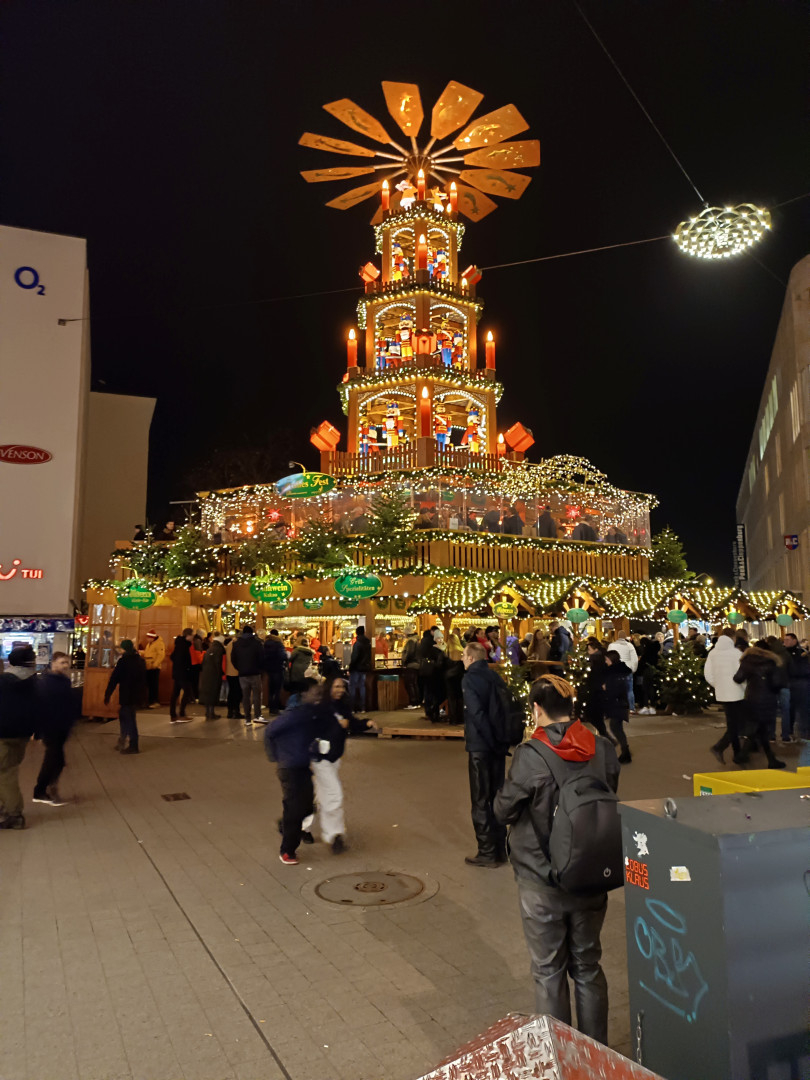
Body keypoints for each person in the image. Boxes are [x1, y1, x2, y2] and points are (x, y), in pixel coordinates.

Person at [493, 674, 619, 1044]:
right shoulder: (602, 747)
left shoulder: (531, 755)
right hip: (592, 871)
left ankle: (561, 1055)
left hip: (541, 877)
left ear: (536, 709)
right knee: (588, 966)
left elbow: (503, 810)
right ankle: (597, 1053)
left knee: (549, 970)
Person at [461, 641, 509, 867]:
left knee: (480, 799)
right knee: (497, 796)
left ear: (471, 658)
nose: (461, 659)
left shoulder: (470, 678)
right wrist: (500, 743)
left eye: (463, 655)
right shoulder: (495, 676)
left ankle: (487, 851)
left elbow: (477, 713)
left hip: (481, 746)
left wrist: (488, 741)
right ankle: (501, 848)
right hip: (498, 746)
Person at [265, 678, 321, 865]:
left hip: (302, 766)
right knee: (295, 808)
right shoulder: (294, 714)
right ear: (304, 694)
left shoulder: (308, 713)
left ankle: (285, 825)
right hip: (289, 768)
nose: (318, 695)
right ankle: (287, 850)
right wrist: (276, 755)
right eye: (315, 692)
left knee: (307, 807)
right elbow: (270, 731)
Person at [32, 652, 79, 805]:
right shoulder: (45, 682)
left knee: (57, 760)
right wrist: (37, 731)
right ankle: (41, 790)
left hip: (62, 727)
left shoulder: (64, 681)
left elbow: (68, 704)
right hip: (50, 727)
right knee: (53, 759)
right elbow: (40, 707)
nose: (65, 665)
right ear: (54, 663)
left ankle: (49, 788)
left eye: (67, 662)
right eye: (62, 662)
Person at [0, 645, 38, 829]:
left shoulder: (4, 682)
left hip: (3, 734)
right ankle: (6, 806)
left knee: (5, 773)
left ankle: (14, 814)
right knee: (10, 769)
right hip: (23, 735)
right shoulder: (35, 681)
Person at [733, 641, 786, 768]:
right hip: (767, 699)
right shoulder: (772, 661)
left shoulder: (747, 661)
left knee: (759, 729)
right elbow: (776, 683)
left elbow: (738, 678)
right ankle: (743, 756)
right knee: (759, 729)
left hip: (752, 698)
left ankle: (769, 759)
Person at [705, 629, 747, 765]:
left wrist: (718, 684)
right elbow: (742, 674)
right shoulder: (736, 654)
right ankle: (719, 747)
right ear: (732, 638)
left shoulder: (713, 653)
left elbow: (708, 674)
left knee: (732, 724)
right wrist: (746, 688)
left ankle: (737, 754)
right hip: (737, 692)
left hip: (722, 692)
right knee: (738, 725)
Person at [104, 640, 147, 754]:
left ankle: (133, 745)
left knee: (129, 719)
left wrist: (108, 694)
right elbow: (144, 679)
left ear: (124, 649)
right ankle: (122, 741)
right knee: (125, 716)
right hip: (136, 695)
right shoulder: (140, 660)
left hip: (127, 694)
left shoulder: (124, 661)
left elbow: (114, 679)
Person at [784, 633, 810, 765]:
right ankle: (790, 733)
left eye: (788, 640)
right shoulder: (783, 653)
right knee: (789, 710)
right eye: (785, 640)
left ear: (794, 640)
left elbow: (804, 670)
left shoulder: (801, 653)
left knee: (801, 711)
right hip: (790, 685)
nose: (786, 642)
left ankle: (803, 735)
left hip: (800, 686)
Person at [231, 625, 265, 725]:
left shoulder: (236, 644)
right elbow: (262, 658)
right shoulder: (257, 643)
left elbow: (233, 659)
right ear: (252, 632)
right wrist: (260, 669)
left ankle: (247, 719)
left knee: (245, 696)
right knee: (256, 696)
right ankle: (258, 715)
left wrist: (239, 668)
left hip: (242, 674)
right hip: (255, 673)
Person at [602, 649, 632, 763]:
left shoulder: (614, 673)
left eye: (606, 659)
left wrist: (606, 688)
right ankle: (625, 752)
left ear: (611, 660)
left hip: (617, 704)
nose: (605, 662)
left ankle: (626, 753)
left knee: (616, 727)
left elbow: (616, 690)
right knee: (617, 727)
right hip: (621, 703)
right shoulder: (621, 671)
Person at [581, 638, 610, 740]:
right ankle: (605, 736)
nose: (588, 652)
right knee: (597, 716)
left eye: (589, 650)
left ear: (595, 649)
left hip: (595, 690)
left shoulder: (594, 660)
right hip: (599, 689)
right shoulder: (603, 657)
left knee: (594, 715)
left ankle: (606, 737)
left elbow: (593, 675)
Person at [766, 635, 792, 742]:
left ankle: (771, 735)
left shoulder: (769, 655)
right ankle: (785, 735)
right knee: (785, 711)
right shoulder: (786, 654)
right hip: (785, 685)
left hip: (771, 686)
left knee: (772, 710)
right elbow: (792, 670)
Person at [419, 627, 446, 723]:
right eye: (438, 638)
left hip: (430, 674)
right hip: (435, 674)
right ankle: (434, 713)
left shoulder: (430, 645)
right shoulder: (437, 648)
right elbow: (440, 662)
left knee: (430, 693)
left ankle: (431, 712)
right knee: (434, 694)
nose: (440, 640)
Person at [169, 627, 194, 724]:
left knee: (175, 693)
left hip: (177, 673)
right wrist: (186, 669)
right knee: (187, 692)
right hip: (183, 674)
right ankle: (181, 714)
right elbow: (180, 659)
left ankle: (173, 715)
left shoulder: (179, 644)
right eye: (192, 635)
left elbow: (172, 656)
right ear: (188, 635)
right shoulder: (183, 646)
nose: (193, 637)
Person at [610, 631, 638, 713]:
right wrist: (633, 669)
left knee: (615, 689)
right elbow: (634, 659)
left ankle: (616, 707)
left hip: (616, 670)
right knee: (629, 690)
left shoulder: (612, 646)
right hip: (627, 669)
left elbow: (609, 658)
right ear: (625, 637)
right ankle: (632, 708)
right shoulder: (629, 646)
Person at [199, 634, 225, 720]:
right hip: (214, 674)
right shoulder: (219, 649)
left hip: (206, 674)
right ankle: (211, 713)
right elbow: (218, 662)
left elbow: (203, 662)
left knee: (207, 693)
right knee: (213, 693)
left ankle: (208, 712)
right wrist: (220, 673)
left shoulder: (210, 649)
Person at [348, 626, 373, 714]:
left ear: (357, 633)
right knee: (362, 687)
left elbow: (354, 657)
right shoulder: (368, 643)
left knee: (353, 688)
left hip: (356, 668)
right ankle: (362, 708)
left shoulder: (357, 644)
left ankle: (352, 708)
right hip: (364, 668)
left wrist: (350, 668)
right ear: (364, 632)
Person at [263, 628, 287, 714]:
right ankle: (275, 708)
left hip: (268, 669)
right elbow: (283, 656)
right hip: (278, 667)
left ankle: (270, 707)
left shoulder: (265, 644)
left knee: (271, 689)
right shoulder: (278, 644)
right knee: (277, 689)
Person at [444, 628, 465, 725]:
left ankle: (453, 718)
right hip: (460, 676)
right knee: (460, 697)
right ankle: (461, 717)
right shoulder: (462, 650)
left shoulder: (446, 651)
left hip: (449, 677)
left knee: (451, 698)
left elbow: (441, 664)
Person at [635, 635, 660, 715]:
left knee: (645, 688)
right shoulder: (655, 650)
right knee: (652, 688)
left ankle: (646, 706)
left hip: (646, 671)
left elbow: (643, 662)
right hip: (654, 670)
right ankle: (652, 706)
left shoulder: (647, 651)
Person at [140, 630, 166, 708]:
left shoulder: (159, 644)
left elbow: (161, 655)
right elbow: (149, 653)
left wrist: (155, 664)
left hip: (154, 668)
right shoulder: (150, 644)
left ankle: (155, 702)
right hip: (148, 667)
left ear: (152, 638)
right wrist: (142, 653)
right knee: (150, 685)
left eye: (149, 638)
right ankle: (150, 702)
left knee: (153, 685)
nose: (147, 639)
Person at [400, 631, 421, 709]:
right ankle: (417, 702)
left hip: (411, 665)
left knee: (410, 684)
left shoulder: (410, 642)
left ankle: (413, 702)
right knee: (414, 684)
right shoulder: (417, 642)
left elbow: (409, 653)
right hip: (417, 665)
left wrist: (404, 662)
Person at [224, 636, 243, 719]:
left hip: (229, 671)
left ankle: (230, 711)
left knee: (231, 692)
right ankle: (236, 711)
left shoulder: (229, 644)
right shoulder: (237, 644)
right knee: (237, 693)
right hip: (236, 671)